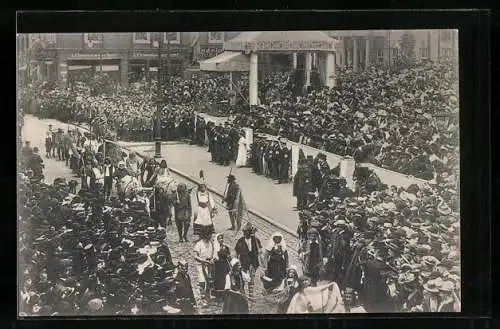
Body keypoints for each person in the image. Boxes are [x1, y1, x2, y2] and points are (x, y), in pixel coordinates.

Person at [235, 222, 263, 297]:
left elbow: (260, 251)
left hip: (253, 262)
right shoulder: (240, 241)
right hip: (244, 261)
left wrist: (260, 254)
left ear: (250, 232)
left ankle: (251, 294)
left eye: (247, 231)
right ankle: (242, 293)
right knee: (244, 277)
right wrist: (236, 262)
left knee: (252, 277)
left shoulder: (255, 240)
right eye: (244, 232)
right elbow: (237, 253)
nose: (245, 233)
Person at [193, 230, 215, 304]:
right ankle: (202, 297)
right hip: (201, 264)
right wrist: (203, 260)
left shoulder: (211, 243)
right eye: (209, 234)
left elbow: (212, 253)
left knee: (209, 280)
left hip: (209, 264)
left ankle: (208, 295)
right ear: (205, 235)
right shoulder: (199, 244)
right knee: (202, 281)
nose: (210, 236)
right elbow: (195, 256)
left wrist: (211, 259)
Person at [212, 233, 231, 300]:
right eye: (219, 238)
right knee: (218, 279)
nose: (221, 240)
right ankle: (218, 295)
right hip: (218, 266)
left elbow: (229, 256)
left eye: (222, 238)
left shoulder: (226, 247)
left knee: (225, 279)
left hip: (224, 265)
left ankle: (224, 294)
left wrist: (228, 258)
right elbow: (213, 257)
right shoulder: (214, 248)